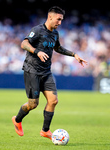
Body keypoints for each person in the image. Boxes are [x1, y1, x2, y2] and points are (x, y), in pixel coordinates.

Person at [12, 6, 88, 140]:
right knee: (33, 104)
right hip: (32, 71)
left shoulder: (55, 34)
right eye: (58, 19)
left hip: (46, 72)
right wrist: (37, 51)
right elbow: (24, 44)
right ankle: (17, 119)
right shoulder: (37, 30)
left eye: (61, 20)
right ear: (50, 17)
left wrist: (74, 54)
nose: (60, 22)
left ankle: (45, 130)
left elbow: (57, 48)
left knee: (53, 100)